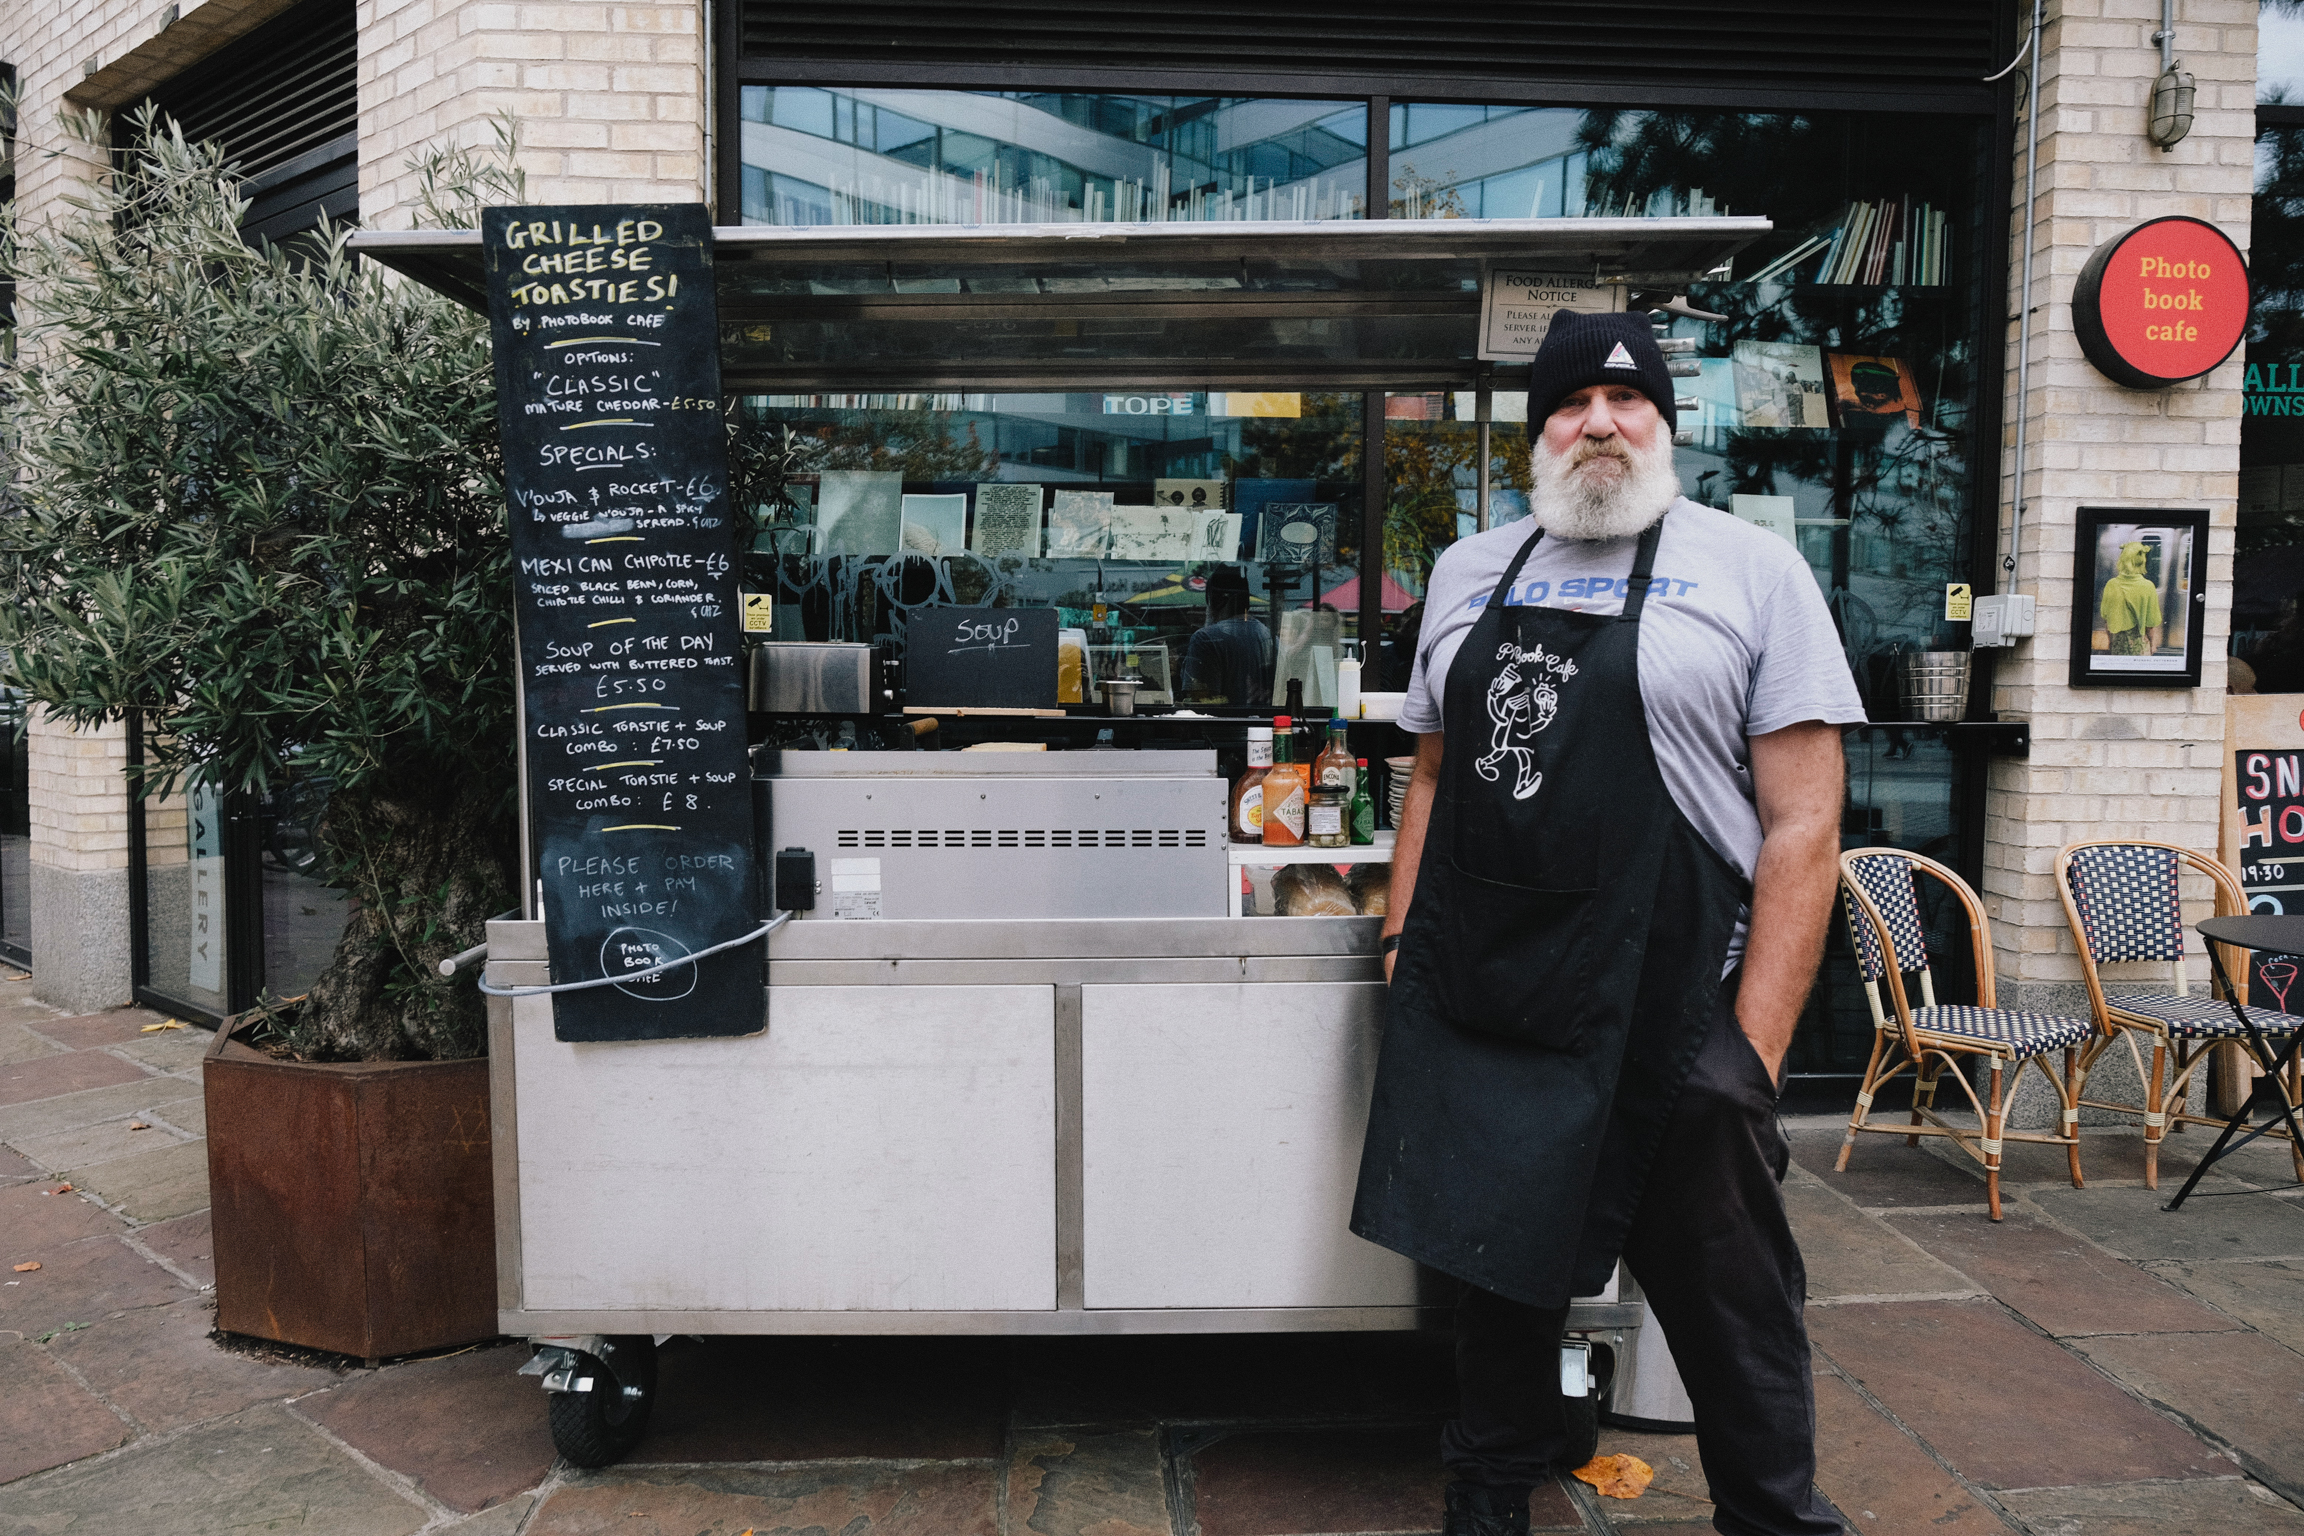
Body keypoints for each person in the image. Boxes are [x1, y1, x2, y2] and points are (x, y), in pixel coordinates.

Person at [1351, 310, 1865, 1536]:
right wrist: (1400, 949)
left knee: (1731, 1307)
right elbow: (1431, 779)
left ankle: (1774, 1520)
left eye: (1626, 403)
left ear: (1664, 427)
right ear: (1539, 433)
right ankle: (1487, 1505)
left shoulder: (1753, 571)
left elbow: (1804, 826)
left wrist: (1754, 1054)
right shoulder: (1475, 571)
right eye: (1570, 405)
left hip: (1678, 1003)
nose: (1598, 423)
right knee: (1496, 1286)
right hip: (1497, 996)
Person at [1180, 565, 1274, 705]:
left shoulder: (1205, 639)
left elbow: (1199, 700)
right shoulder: (1270, 638)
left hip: (1222, 725)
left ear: (1215, 600)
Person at [2098, 540, 2163, 657]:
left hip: (2118, 645)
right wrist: (2153, 645)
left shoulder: (2111, 584)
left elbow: (2106, 620)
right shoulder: (2148, 586)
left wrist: (2110, 642)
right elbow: (2150, 624)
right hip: (2140, 646)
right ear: (2142, 561)